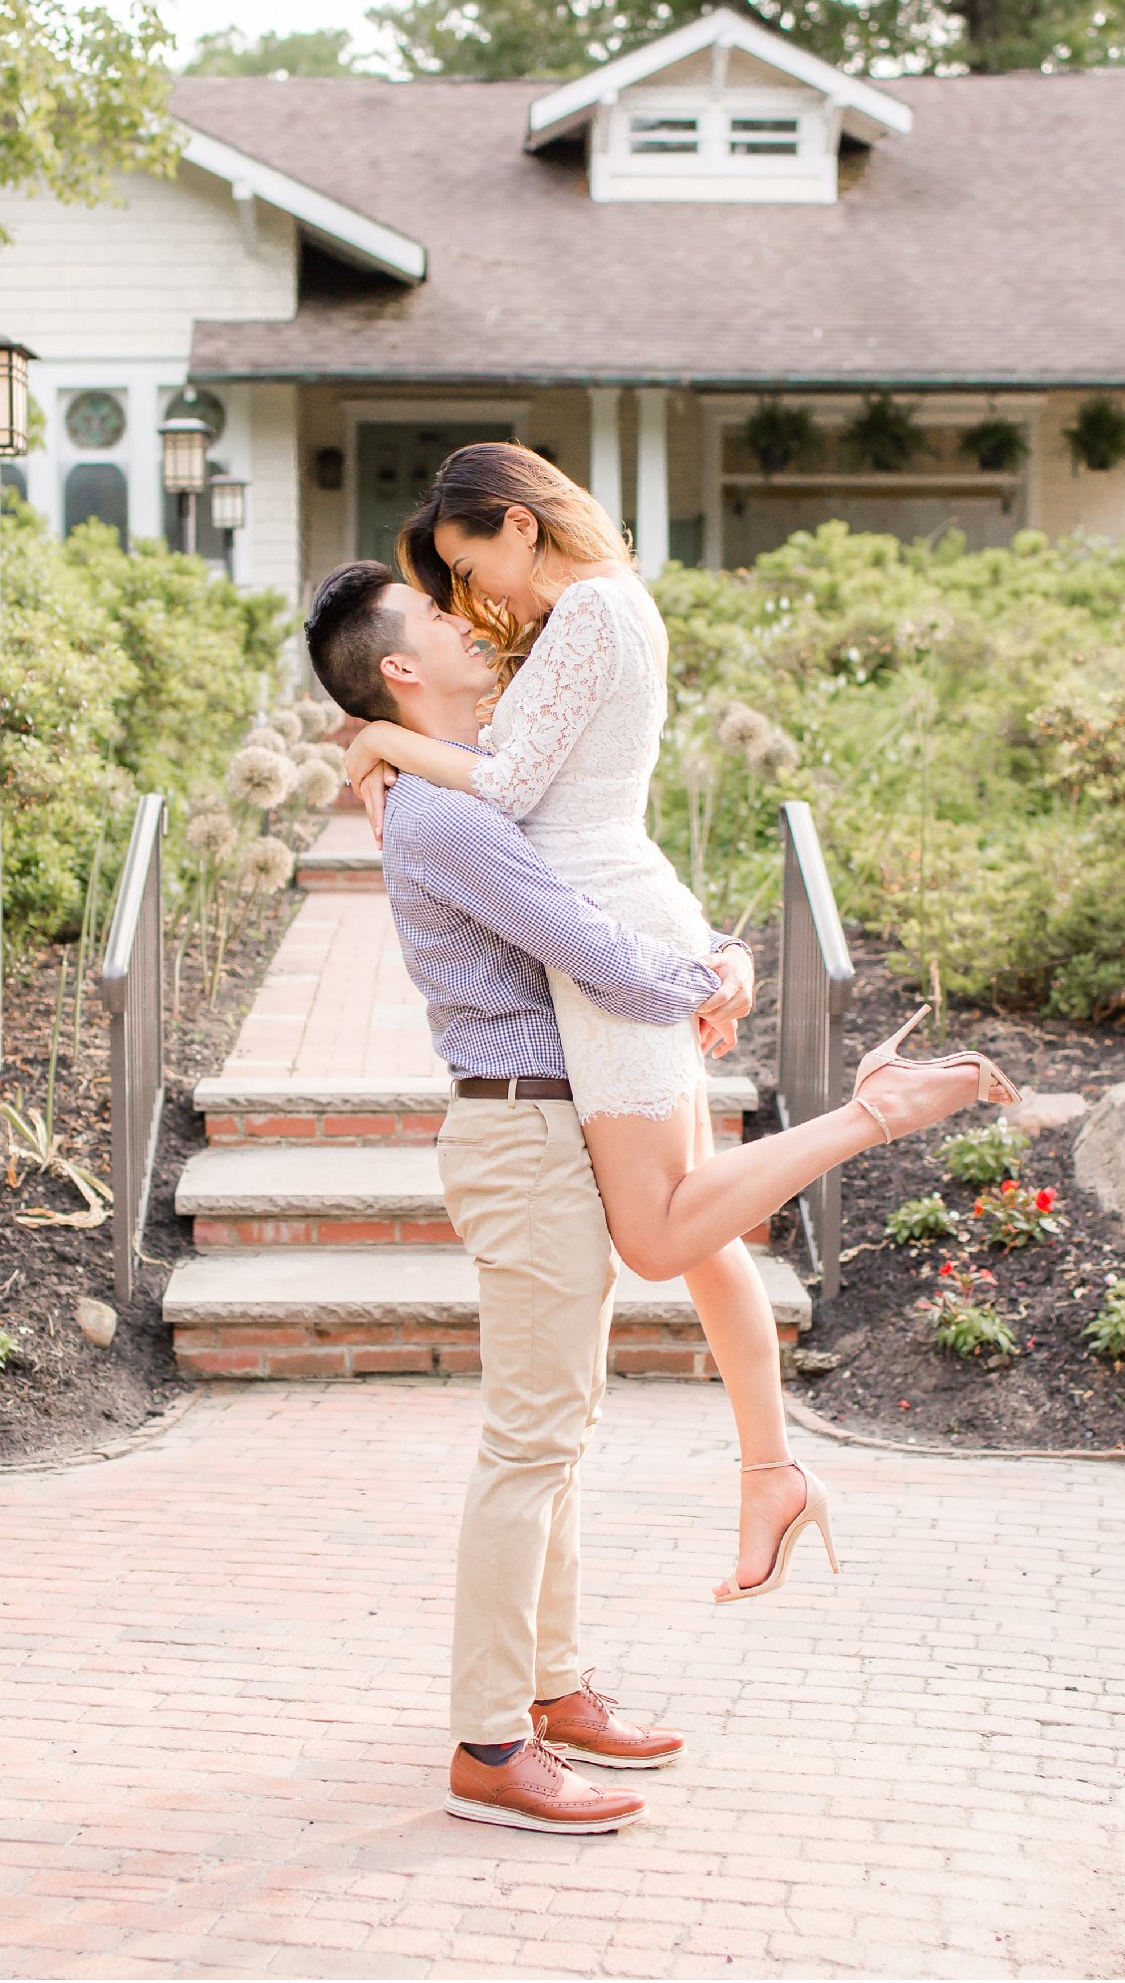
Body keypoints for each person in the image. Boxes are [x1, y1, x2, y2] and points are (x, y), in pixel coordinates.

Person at [338, 445, 1020, 1601]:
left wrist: (377, 741)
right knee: (700, 1247)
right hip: (617, 903)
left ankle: (873, 1109)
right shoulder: (591, 614)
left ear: (517, 523)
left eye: (471, 565)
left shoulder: (595, 608)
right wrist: (706, 945)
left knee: (656, 1238)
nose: (475, 599)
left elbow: (503, 792)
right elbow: (567, 796)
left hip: (604, 934)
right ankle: (771, 1473)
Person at [306, 559, 760, 1835]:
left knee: (559, 1429)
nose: (466, 623)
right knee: (529, 1443)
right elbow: (589, 949)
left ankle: (552, 1690)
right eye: (439, 619)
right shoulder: (445, 819)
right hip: (523, 1131)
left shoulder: (446, 780)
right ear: (399, 667)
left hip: (549, 1126)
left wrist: (371, 744)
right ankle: (491, 1742)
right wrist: (712, 974)